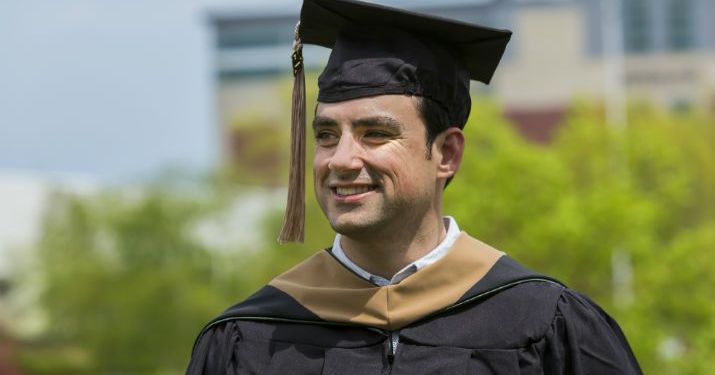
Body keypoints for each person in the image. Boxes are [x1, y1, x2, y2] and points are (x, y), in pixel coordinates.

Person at [186, 0, 643, 373]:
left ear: (446, 155)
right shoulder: (249, 340)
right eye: (327, 135)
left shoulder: (546, 326)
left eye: (375, 134)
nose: (341, 159)